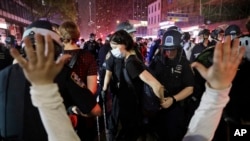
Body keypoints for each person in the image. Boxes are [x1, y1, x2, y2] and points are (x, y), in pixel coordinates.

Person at [10, 25, 245, 141]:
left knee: (234, 131)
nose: (169, 53)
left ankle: (240, 133)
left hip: (150, 109)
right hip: (137, 109)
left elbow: (154, 82)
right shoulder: (143, 58)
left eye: (115, 46)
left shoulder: (134, 61)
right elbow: (198, 136)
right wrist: (217, 93)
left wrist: (167, 97)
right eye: (167, 49)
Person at [0, 20, 100, 141]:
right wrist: (70, 112)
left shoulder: (4, 74)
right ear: (55, 48)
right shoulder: (61, 71)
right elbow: (95, 110)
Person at [103, 30, 165, 140]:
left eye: (115, 47)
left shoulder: (131, 62)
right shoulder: (129, 59)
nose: (114, 51)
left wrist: (161, 102)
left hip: (133, 112)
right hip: (131, 110)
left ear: (125, 44)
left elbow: (157, 85)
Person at [148, 29, 195, 141]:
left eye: (172, 49)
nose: (168, 53)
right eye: (166, 49)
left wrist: (173, 99)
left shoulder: (183, 63)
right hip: (158, 107)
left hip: (176, 108)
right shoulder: (158, 61)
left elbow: (190, 88)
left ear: (178, 48)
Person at [58, 20, 101, 141]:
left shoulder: (55, 57)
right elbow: (92, 89)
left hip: (61, 112)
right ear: (77, 35)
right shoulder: (87, 56)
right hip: (84, 112)